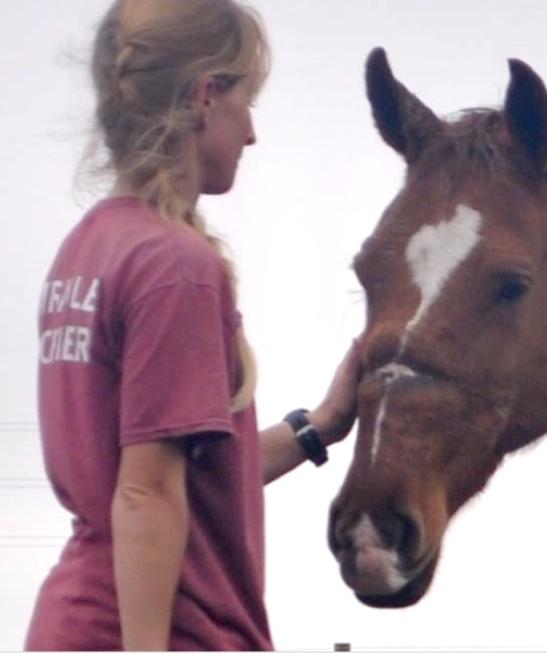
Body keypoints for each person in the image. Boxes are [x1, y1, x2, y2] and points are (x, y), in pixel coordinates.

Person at [25, 1, 361, 649]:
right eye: (247, 101)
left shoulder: (86, 251)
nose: (252, 133)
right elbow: (146, 491)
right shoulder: (175, 266)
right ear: (207, 96)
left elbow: (192, 471)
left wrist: (318, 426)